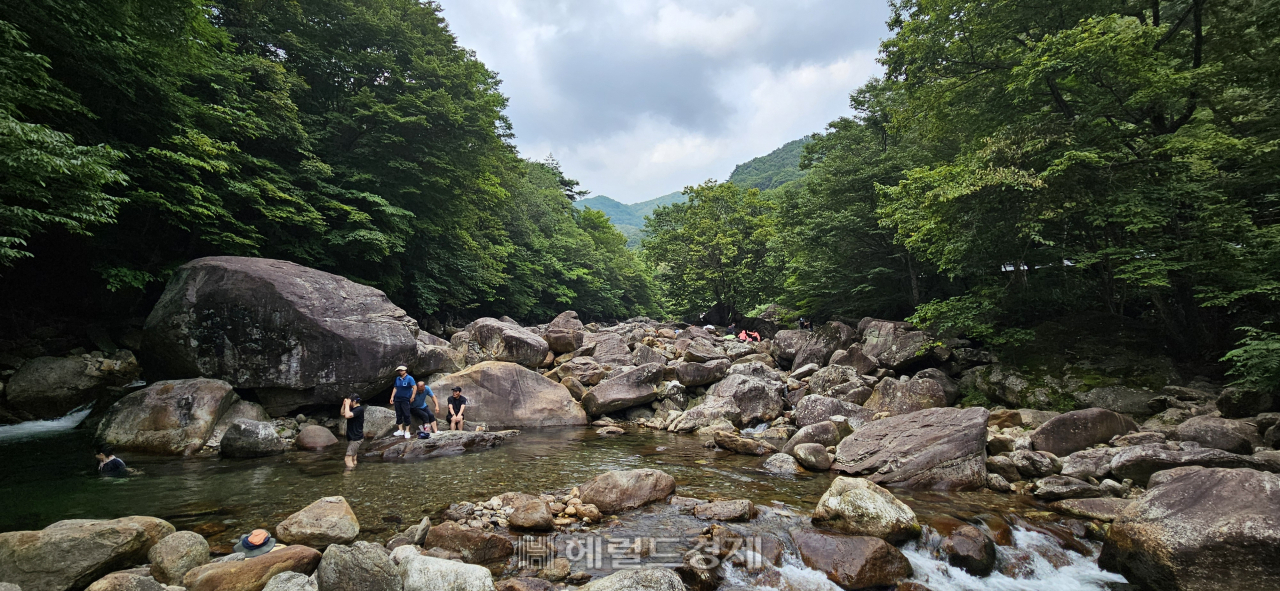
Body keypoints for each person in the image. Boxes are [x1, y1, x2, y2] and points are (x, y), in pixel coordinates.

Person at [390, 365, 416, 438]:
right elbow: (395, 388)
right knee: (398, 414)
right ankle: (400, 430)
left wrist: (412, 397)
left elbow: (414, 387)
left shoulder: (409, 378)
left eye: (401, 370)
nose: (400, 372)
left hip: (405, 399)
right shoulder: (397, 379)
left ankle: (407, 430)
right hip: (397, 398)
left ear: (405, 371)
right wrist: (392, 397)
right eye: (399, 371)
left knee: (406, 414)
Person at [340, 394, 365, 471]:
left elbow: (347, 415)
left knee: (347, 458)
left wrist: (347, 405)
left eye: (350, 401)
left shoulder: (359, 409)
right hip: (353, 438)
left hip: (356, 439)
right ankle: (354, 472)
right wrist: (344, 405)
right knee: (353, 457)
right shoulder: (353, 409)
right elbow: (343, 413)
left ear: (354, 401)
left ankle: (348, 477)